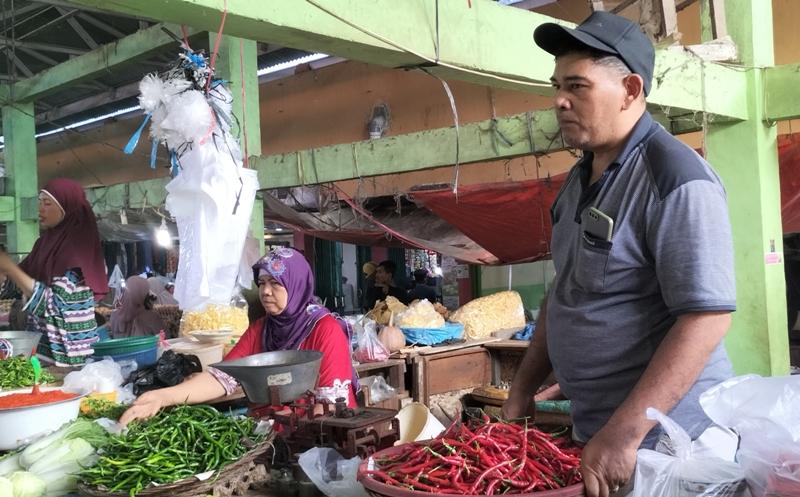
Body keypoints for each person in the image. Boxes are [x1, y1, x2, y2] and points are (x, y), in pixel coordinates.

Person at [502, 11, 736, 497]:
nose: (559, 100)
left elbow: (706, 318)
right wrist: (522, 389)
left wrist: (625, 434)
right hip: (602, 435)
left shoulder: (675, 179)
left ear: (630, 89)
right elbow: (563, 293)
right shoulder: (577, 181)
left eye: (577, 86)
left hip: (670, 448)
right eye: (556, 86)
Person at [120, 247, 358, 425]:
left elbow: (331, 405)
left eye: (275, 283)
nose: (265, 291)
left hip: (319, 434)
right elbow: (221, 378)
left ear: (297, 285)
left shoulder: (324, 329)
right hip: (270, 431)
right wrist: (162, 397)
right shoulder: (261, 329)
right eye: (262, 283)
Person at [0, 178, 108, 366]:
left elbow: (53, 304)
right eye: (39, 202)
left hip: (70, 357)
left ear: (67, 207)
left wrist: (9, 267)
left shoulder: (77, 249)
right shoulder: (44, 244)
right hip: (42, 347)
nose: (40, 209)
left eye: (47, 203)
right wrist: (5, 272)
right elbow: (18, 279)